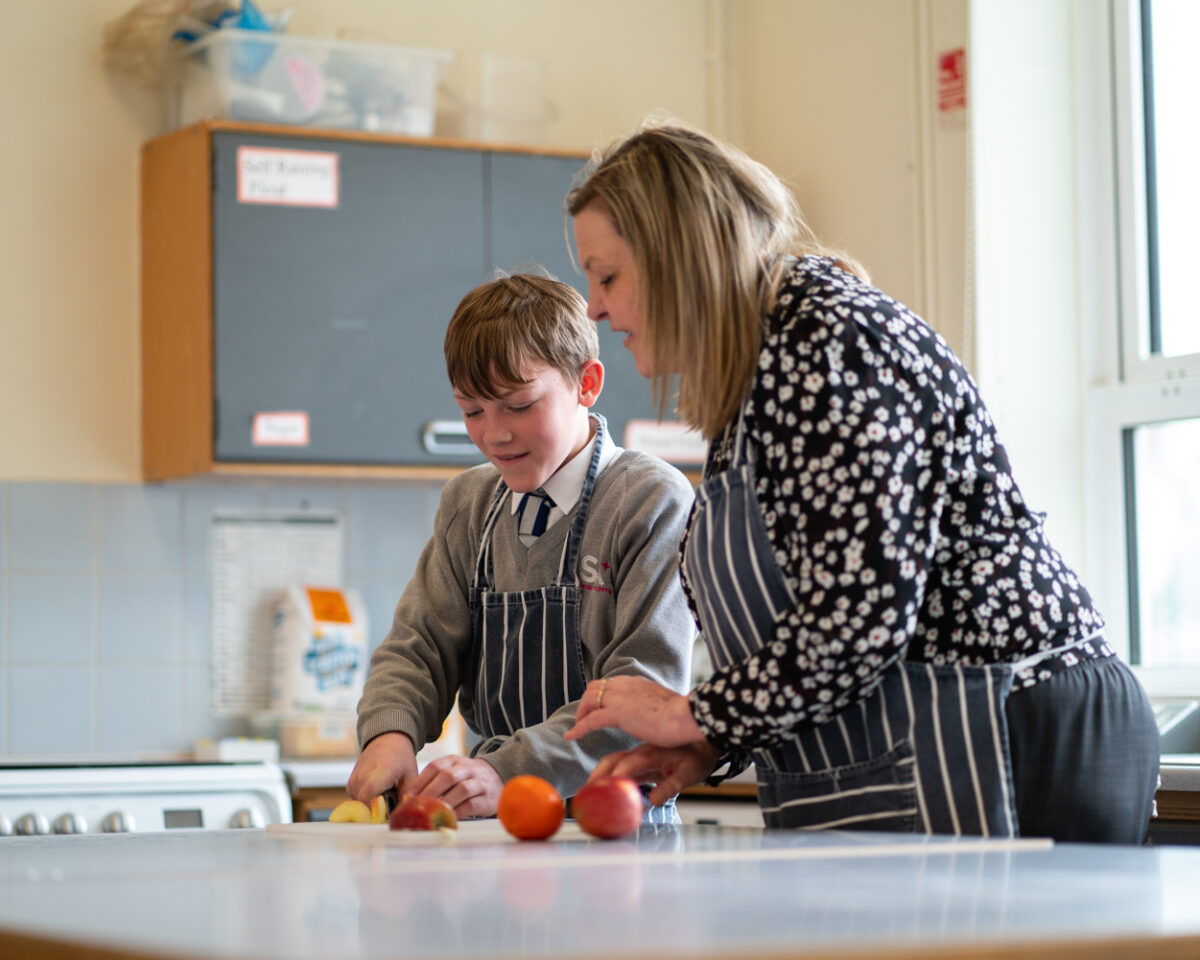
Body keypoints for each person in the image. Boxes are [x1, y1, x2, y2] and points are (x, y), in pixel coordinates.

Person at [563, 120, 1159, 843]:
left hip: (1013, 724)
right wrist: (712, 741)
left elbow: (860, 609)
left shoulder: (831, 343)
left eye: (607, 276)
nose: (593, 307)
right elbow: (809, 625)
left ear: (679, 256)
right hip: (941, 730)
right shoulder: (758, 374)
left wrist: (689, 712)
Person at [348, 272, 695, 822]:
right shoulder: (469, 501)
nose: (494, 434)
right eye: (472, 411)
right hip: (493, 822)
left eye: (518, 405)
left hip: (616, 825)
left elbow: (641, 692)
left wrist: (505, 771)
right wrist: (389, 731)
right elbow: (418, 646)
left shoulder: (650, 500)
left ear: (588, 383)